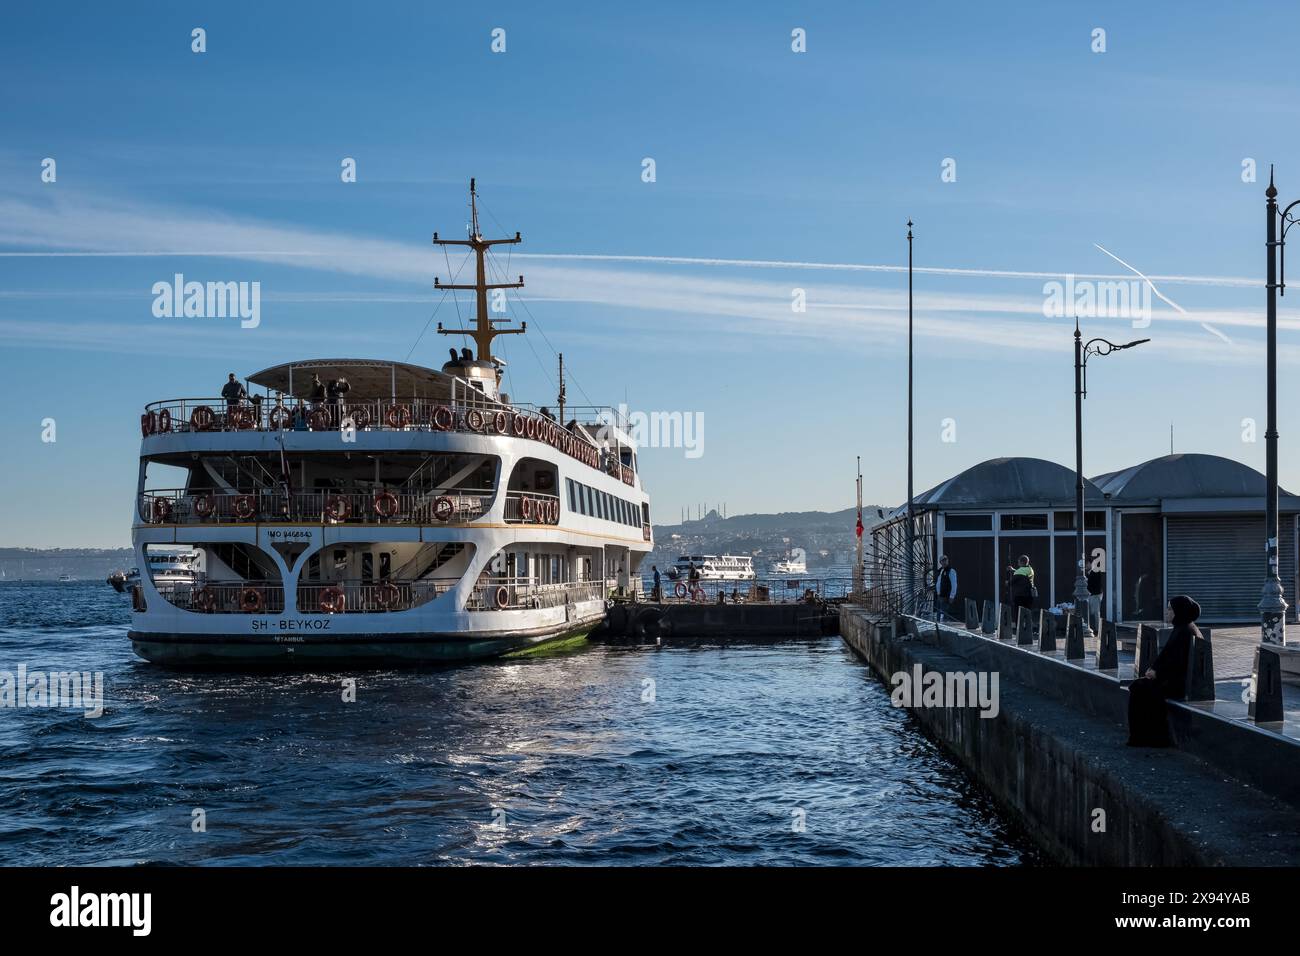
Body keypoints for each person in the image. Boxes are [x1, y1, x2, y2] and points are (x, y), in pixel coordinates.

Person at [1127, 595, 1200, 747]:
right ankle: (1144, 736)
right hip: (1171, 678)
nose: (1167, 612)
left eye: (1170, 609)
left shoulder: (1185, 631)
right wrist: (1153, 670)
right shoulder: (1181, 628)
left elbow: (1178, 663)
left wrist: (1157, 673)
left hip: (1176, 683)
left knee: (1139, 689)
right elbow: (1167, 657)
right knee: (1138, 686)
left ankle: (1150, 737)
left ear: (1178, 611)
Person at [934, 554, 958, 621]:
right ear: (940, 562)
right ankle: (938, 627)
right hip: (939, 596)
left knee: (945, 615)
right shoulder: (940, 571)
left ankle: (945, 628)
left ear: (948, 561)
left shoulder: (951, 571)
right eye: (942, 560)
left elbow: (954, 584)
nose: (944, 562)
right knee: (938, 614)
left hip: (946, 596)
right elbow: (938, 582)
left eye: (945, 560)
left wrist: (952, 596)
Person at [1087, 564, 1105, 634]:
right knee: (1094, 612)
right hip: (1094, 594)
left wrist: (1090, 592)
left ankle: (1097, 629)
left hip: (1095, 595)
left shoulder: (1095, 572)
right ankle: (1095, 628)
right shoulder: (1090, 572)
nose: (1086, 566)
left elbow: (1095, 584)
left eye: (1087, 564)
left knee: (1095, 612)